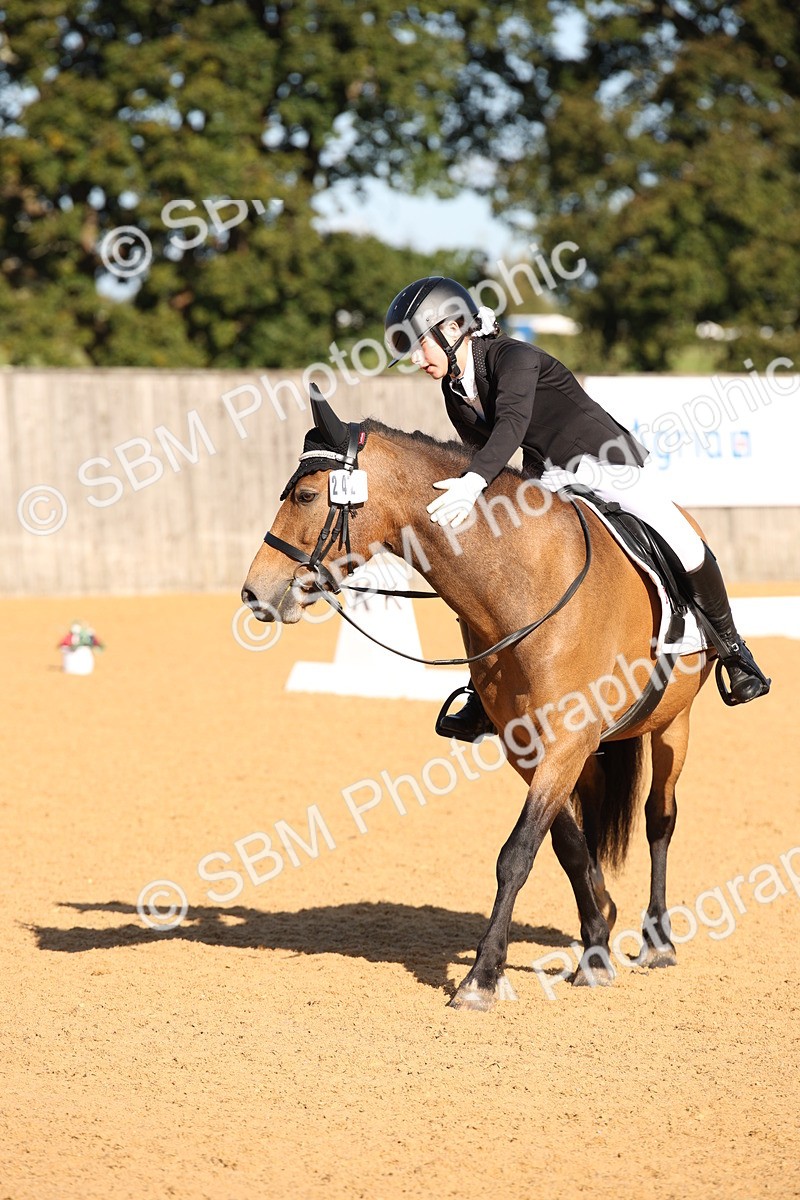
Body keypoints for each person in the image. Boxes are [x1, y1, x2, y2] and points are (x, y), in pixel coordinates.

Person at [384, 276, 770, 742]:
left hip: (603, 460)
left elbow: (510, 426)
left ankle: (734, 652)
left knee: (682, 538)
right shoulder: (454, 389)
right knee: (498, 567)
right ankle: (484, 692)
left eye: (419, 344)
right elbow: (482, 452)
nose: (415, 359)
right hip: (546, 476)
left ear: (451, 328)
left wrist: (471, 482)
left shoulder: (515, 358)